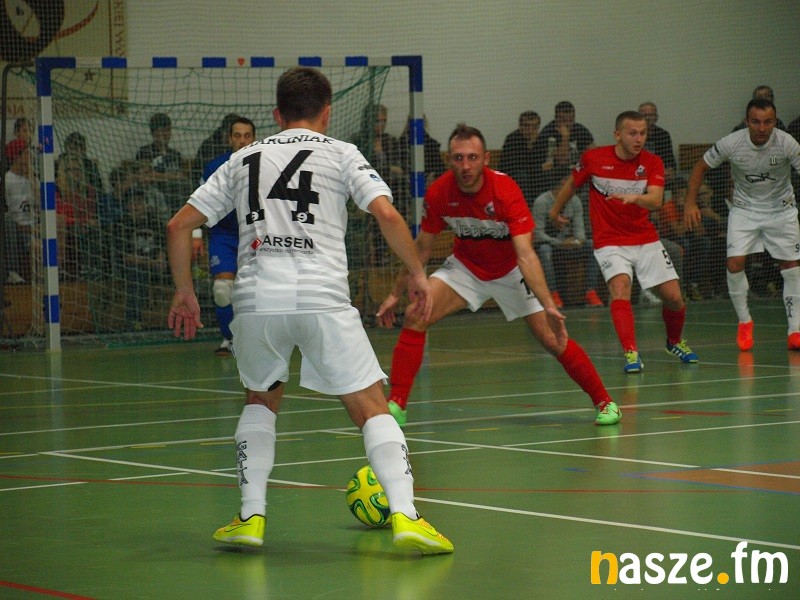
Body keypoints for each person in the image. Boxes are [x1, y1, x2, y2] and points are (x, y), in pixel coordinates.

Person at [165, 66, 453, 554]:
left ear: (276, 115)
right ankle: (406, 515)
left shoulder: (241, 158)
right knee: (372, 408)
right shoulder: (342, 153)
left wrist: (185, 292)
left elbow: (178, 226)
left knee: (260, 401)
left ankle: (250, 517)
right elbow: (386, 213)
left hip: (256, 300)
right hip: (322, 298)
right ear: (327, 113)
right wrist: (417, 275)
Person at [376, 123, 621, 427]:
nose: (465, 166)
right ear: (449, 159)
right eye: (458, 158)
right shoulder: (439, 192)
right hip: (466, 268)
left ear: (486, 158)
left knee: (553, 339)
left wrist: (549, 305)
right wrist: (395, 294)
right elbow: (421, 248)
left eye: (472, 157)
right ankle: (397, 405)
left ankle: (605, 402)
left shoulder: (505, 191)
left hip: (510, 270)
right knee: (416, 314)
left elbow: (526, 254)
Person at [550, 111, 699, 373]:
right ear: (617, 135)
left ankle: (674, 342)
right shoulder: (594, 158)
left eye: (643, 133)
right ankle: (631, 353)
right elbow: (572, 184)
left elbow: (655, 200)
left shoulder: (652, 162)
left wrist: (635, 198)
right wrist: (554, 211)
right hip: (609, 241)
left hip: (645, 239)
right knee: (620, 290)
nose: (638, 139)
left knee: (675, 298)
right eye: (632, 133)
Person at [684, 97, 800, 352]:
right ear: (747, 121)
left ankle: (795, 330)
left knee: (791, 266)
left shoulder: (787, 143)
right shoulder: (731, 143)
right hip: (745, 211)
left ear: (775, 121)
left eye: (768, 122)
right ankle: (745, 322)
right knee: (734, 263)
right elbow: (700, 167)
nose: (762, 128)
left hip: (781, 211)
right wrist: (690, 203)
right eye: (756, 122)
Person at [194, 116, 256, 356]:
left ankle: (260, 338)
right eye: (237, 136)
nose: (242, 141)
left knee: (259, 290)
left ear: (254, 138)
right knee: (222, 289)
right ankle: (229, 339)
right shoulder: (215, 167)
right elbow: (198, 202)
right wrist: (196, 233)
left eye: (247, 136)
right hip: (223, 235)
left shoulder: (265, 165)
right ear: (229, 138)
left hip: (256, 233)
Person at [531, 177, 603, 308]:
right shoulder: (542, 202)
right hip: (549, 246)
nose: (571, 191)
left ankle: (590, 292)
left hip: (569, 245)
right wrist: (558, 243)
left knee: (593, 245)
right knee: (545, 250)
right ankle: (553, 294)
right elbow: (538, 233)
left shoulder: (575, 201)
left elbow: (580, 231)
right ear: (557, 188)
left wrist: (577, 241)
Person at [121, 188, 166, 330]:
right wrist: (151, 262)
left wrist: (161, 259)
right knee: (138, 274)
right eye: (132, 202)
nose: (136, 206)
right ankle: (133, 320)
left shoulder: (154, 223)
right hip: (133, 267)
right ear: (127, 205)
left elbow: (162, 247)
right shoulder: (122, 225)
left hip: (153, 265)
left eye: (139, 202)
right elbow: (126, 258)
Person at [136, 112, 190, 216]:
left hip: (177, 194)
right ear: (153, 133)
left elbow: (182, 176)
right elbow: (145, 177)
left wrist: (160, 176)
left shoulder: (175, 154)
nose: (165, 134)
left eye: (168, 130)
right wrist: (171, 176)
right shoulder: (145, 152)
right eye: (161, 130)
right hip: (157, 195)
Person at [535, 101, 595, 192]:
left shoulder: (580, 130)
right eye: (563, 120)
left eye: (570, 120)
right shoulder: (548, 132)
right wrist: (565, 137)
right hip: (555, 173)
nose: (568, 124)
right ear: (557, 118)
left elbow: (593, 154)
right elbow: (561, 161)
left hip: (576, 170)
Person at [498, 111, 547, 205]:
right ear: (520, 126)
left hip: (535, 177)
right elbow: (515, 166)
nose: (530, 130)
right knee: (522, 176)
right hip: (515, 177)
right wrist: (530, 145)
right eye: (527, 126)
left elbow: (544, 162)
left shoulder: (541, 140)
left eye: (534, 127)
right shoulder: (512, 139)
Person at [3, 139, 35, 283]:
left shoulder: (31, 178)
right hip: (19, 232)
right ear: (17, 156)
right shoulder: (7, 181)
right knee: (8, 222)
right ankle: (12, 272)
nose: (30, 157)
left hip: (33, 225)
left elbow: (42, 205)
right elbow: (15, 218)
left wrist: (33, 179)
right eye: (27, 154)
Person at [638, 102, 677, 187]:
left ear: (656, 117)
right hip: (638, 176)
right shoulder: (632, 134)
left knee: (680, 184)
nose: (648, 118)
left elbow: (669, 159)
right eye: (644, 115)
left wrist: (670, 170)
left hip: (659, 175)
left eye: (651, 115)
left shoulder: (663, 135)